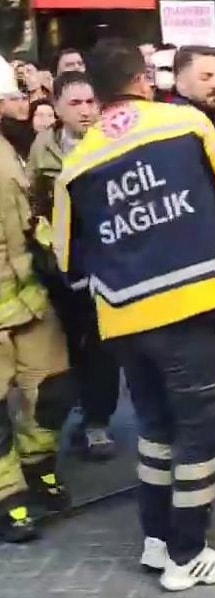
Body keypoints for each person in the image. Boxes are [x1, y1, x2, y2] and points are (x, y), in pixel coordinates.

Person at [50, 39, 215, 589]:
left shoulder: (75, 164)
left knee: (156, 430)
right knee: (201, 431)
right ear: (144, 79)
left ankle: (158, 540)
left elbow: (69, 261)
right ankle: (189, 554)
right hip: (192, 302)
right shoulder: (184, 125)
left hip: (122, 317)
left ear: (93, 94)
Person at [0, 57, 74, 543]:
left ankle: (37, 464)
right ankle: (7, 493)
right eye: (13, 95)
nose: (25, 101)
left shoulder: (14, 146)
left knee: (54, 388)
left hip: (30, 298)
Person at [27, 71, 117, 461]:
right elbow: (32, 202)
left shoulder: (112, 140)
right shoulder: (41, 150)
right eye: (75, 103)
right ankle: (68, 415)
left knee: (104, 345)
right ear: (57, 107)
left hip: (105, 256)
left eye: (90, 102)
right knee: (67, 345)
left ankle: (98, 421)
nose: (85, 111)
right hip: (61, 263)